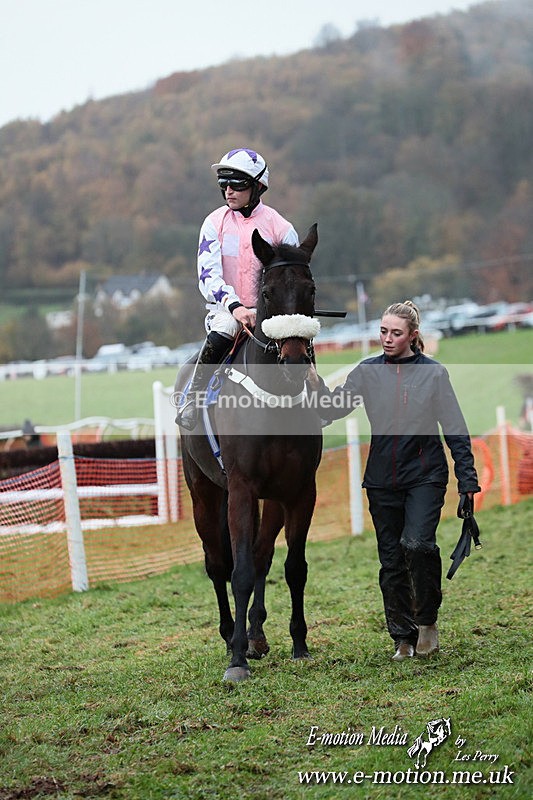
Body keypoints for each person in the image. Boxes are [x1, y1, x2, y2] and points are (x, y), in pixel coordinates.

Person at [307, 301, 480, 661]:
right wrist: (313, 382)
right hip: (381, 481)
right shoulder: (367, 372)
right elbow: (331, 408)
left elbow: (455, 429)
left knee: (417, 545)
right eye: (383, 331)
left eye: (396, 333)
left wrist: (467, 480)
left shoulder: (434, 374)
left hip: (425, 476)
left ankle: (427, 621)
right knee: (391, 560)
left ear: (412, 336)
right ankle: (402, 636)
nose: (387, 338)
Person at [176, 147, 299, 430]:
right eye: (224, 184)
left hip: (271, 311)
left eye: (237, 184)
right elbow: (208, 275)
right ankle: (193, 398)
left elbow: (292, 278)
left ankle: (318, 397)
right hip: (227, 310)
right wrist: (236, 307)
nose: (228, 190)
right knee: (226, 328)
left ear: (258, 187)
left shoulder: (281, 228)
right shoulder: (213, 223)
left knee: (298, 341)